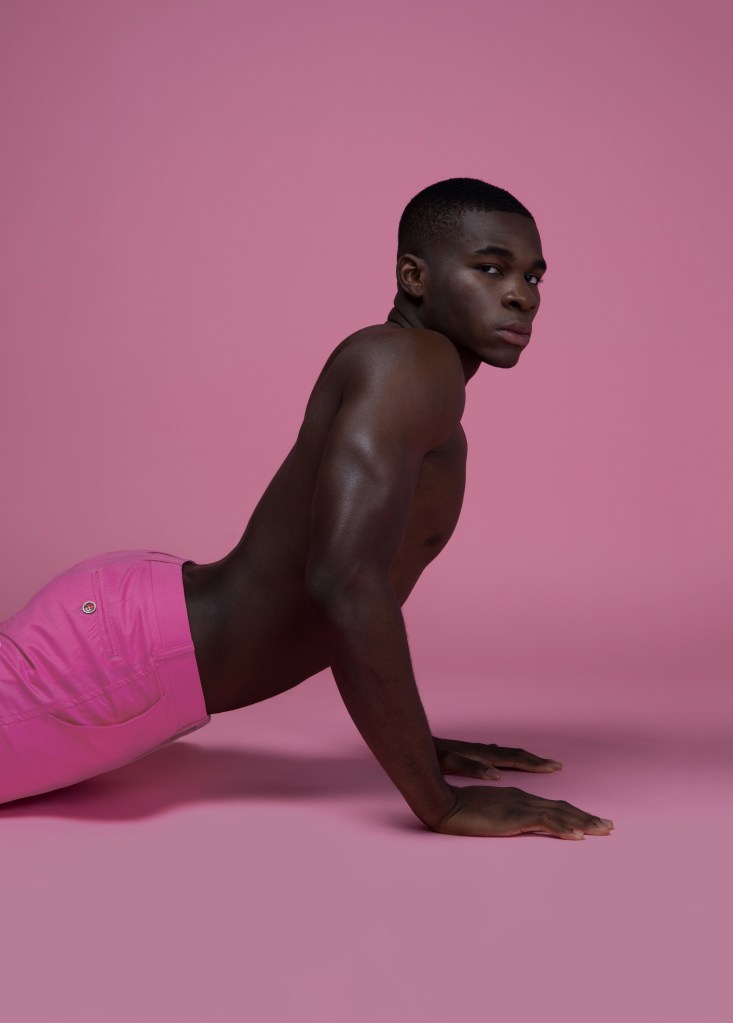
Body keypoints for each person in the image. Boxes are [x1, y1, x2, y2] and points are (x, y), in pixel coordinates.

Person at [1, 177, 614, 839]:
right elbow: (344, 582)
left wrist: (410, 740)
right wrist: (440, 801)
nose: (522, 294)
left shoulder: (414, 377)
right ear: (414, 277)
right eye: (490, 268)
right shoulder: (411, 365)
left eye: (533, 276)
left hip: (133, 631)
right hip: (120, 658)